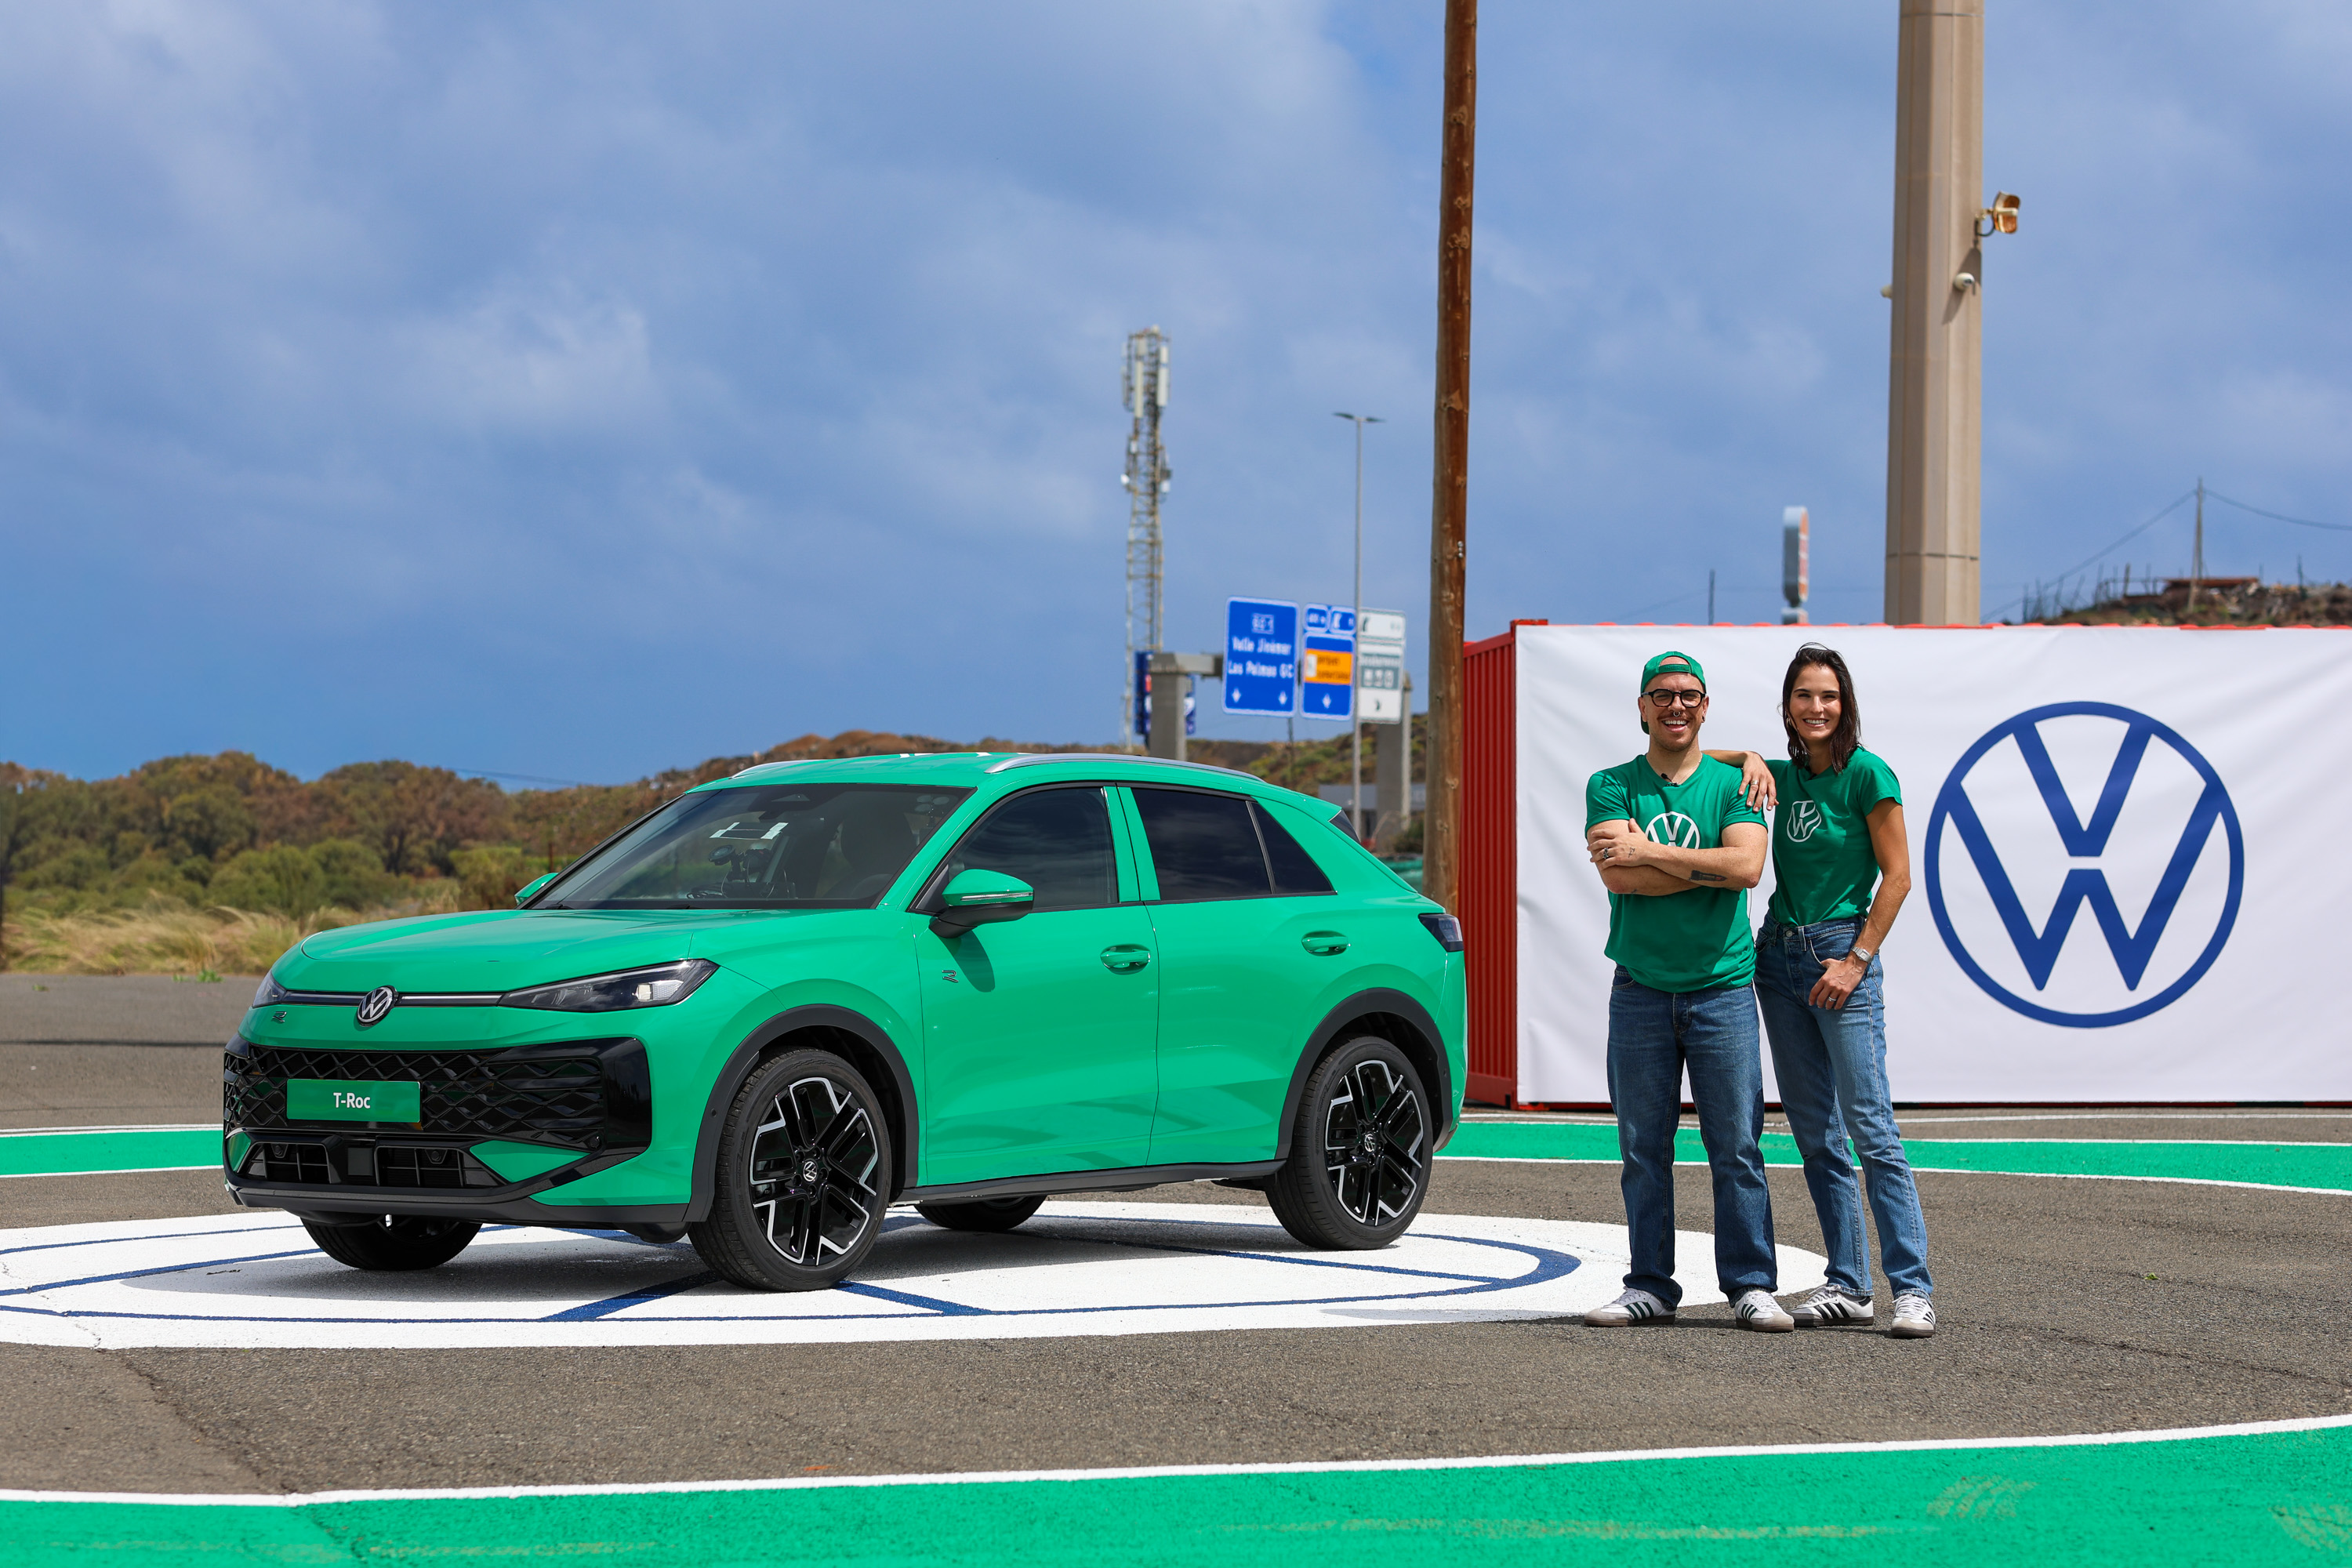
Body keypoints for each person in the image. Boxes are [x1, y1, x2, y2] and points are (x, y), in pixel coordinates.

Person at [1709, 644, 1936, 1340]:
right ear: (1788, 707)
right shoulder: (1781, 776)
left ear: (1847, 705)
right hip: (1776, 959)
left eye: (1829, 696)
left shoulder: (1869, 776)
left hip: (1840, 954)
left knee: (1871, 1128)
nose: (1817, 708)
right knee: (1815, 1133)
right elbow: (1691, 759)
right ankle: (1849, 1283)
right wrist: (1747, 756)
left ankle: (1913, 1290)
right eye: (1804, 696)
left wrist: (1857, 959)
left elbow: (1897, 877)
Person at [1581, 651, 1792, 1332]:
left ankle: (1752, 1285)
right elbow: (1620, 878)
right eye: (1663, 695)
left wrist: (1653, 853)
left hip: (1723, 988)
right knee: (1644, 1148)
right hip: (1640, 987)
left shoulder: (1736, 783)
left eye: (1690, 696)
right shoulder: (1610, 784)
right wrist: (1705, 869)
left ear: (1706, 708)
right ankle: (1649, 1285)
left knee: (1737, 1145)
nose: (1677, 705)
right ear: (1641, 706)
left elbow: (1749, 868)